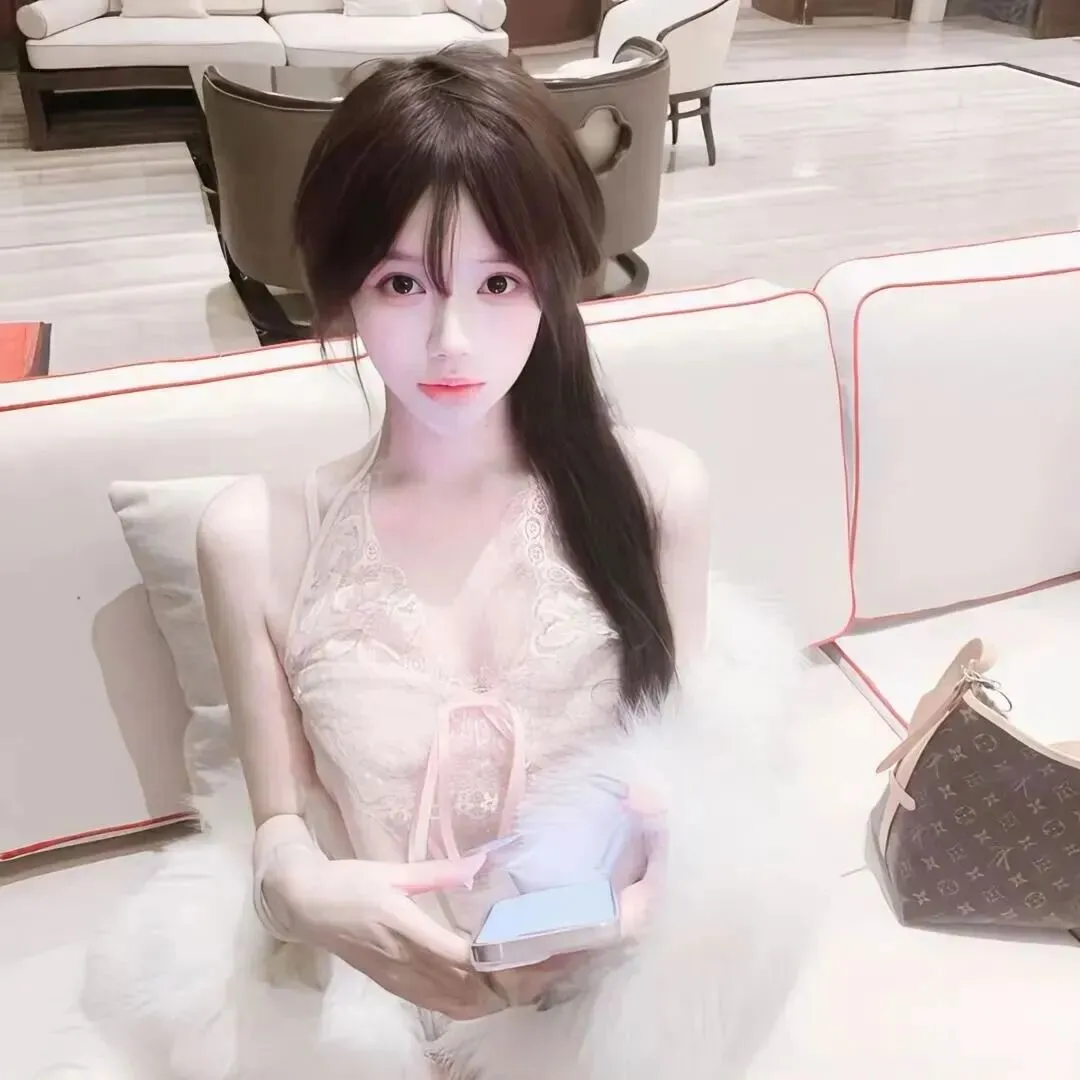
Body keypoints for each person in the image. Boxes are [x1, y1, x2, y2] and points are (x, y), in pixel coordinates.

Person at [66, 46, 823, 1080]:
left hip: (603, 1018)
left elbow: (686, 780)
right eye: (402, 282)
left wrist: (647, 904)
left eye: (499, 280)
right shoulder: (256, 538)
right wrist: (296, 892)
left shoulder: (652, 494)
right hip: (372, 1014)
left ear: (553, 280)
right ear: (342, 290)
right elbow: (278, 821)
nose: (453, 338)